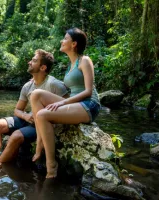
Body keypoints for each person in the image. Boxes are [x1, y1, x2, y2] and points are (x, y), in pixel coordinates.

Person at [0, 49, 69, 172]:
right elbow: (17, 110)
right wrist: (26, 116)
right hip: (28, 119)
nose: (29, 62)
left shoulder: (55, 85)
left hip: (42, 125)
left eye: (34, 60)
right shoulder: (28, 86)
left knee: (16, 136)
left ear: (43, 67)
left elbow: (68, 106)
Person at [30, 28, 101, 178]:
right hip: (75, 103)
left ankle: (51, 166)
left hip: (89, 104)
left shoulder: (85, 60)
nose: (62, 41)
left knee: (43, 115)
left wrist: (62, 104)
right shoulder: (70, 65)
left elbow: (88, 91)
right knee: (35, 94)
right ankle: (39, 142)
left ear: (74, 43)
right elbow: (69, 88)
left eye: (65, 38)